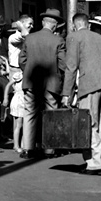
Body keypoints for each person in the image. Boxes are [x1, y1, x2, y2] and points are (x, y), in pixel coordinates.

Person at [62, 13, 101, 176]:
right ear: (89, 25)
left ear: (74, 25)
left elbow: (71, 67)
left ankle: (95, 164)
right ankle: (100, 160)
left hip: (91, 84)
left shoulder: (73, 37)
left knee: (90, 122)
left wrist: (67, 93)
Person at [19, 8, 66, 159]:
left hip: (31, 81)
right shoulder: (58, 40)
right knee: (51, 115)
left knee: (29, 114)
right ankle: (49, 150)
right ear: (55, 25)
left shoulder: (29, 38)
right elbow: (63, 64)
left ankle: (28, 149)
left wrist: (29, 71)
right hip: (51, 84)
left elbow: (22, 60)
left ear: (43, 22)